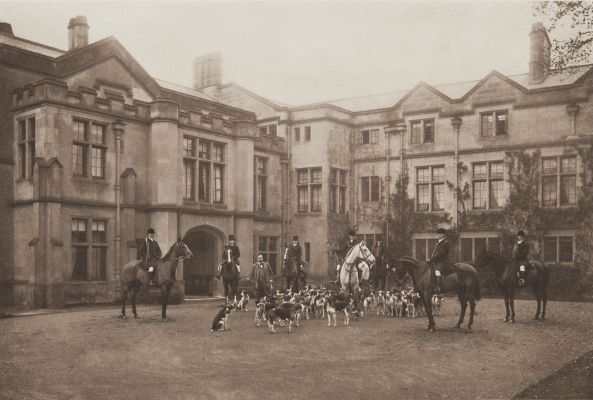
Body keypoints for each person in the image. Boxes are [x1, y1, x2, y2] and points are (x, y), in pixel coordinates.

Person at [429, 228, 450, 294]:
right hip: (437, 261)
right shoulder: (438, 243)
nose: (439, 235)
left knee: (437, 271)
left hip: (443, 261)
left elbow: (441, 254)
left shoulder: (446, 242)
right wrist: (431, 259)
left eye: (440, 234)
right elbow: (435, 253)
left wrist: (432, 259)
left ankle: (440, 287)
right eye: (438, 234)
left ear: (444, 234)